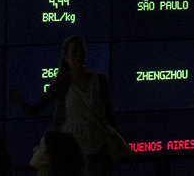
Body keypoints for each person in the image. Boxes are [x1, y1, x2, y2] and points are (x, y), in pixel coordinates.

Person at [9, 36, 117, 176]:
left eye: (81, 51)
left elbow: (109, 115)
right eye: (74, 51)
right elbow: (36, 109)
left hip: (98, 151)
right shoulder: (62, 83)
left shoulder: (100, 81)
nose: (79, 55)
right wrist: (19, 101)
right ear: (66, 57)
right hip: (70, 156)